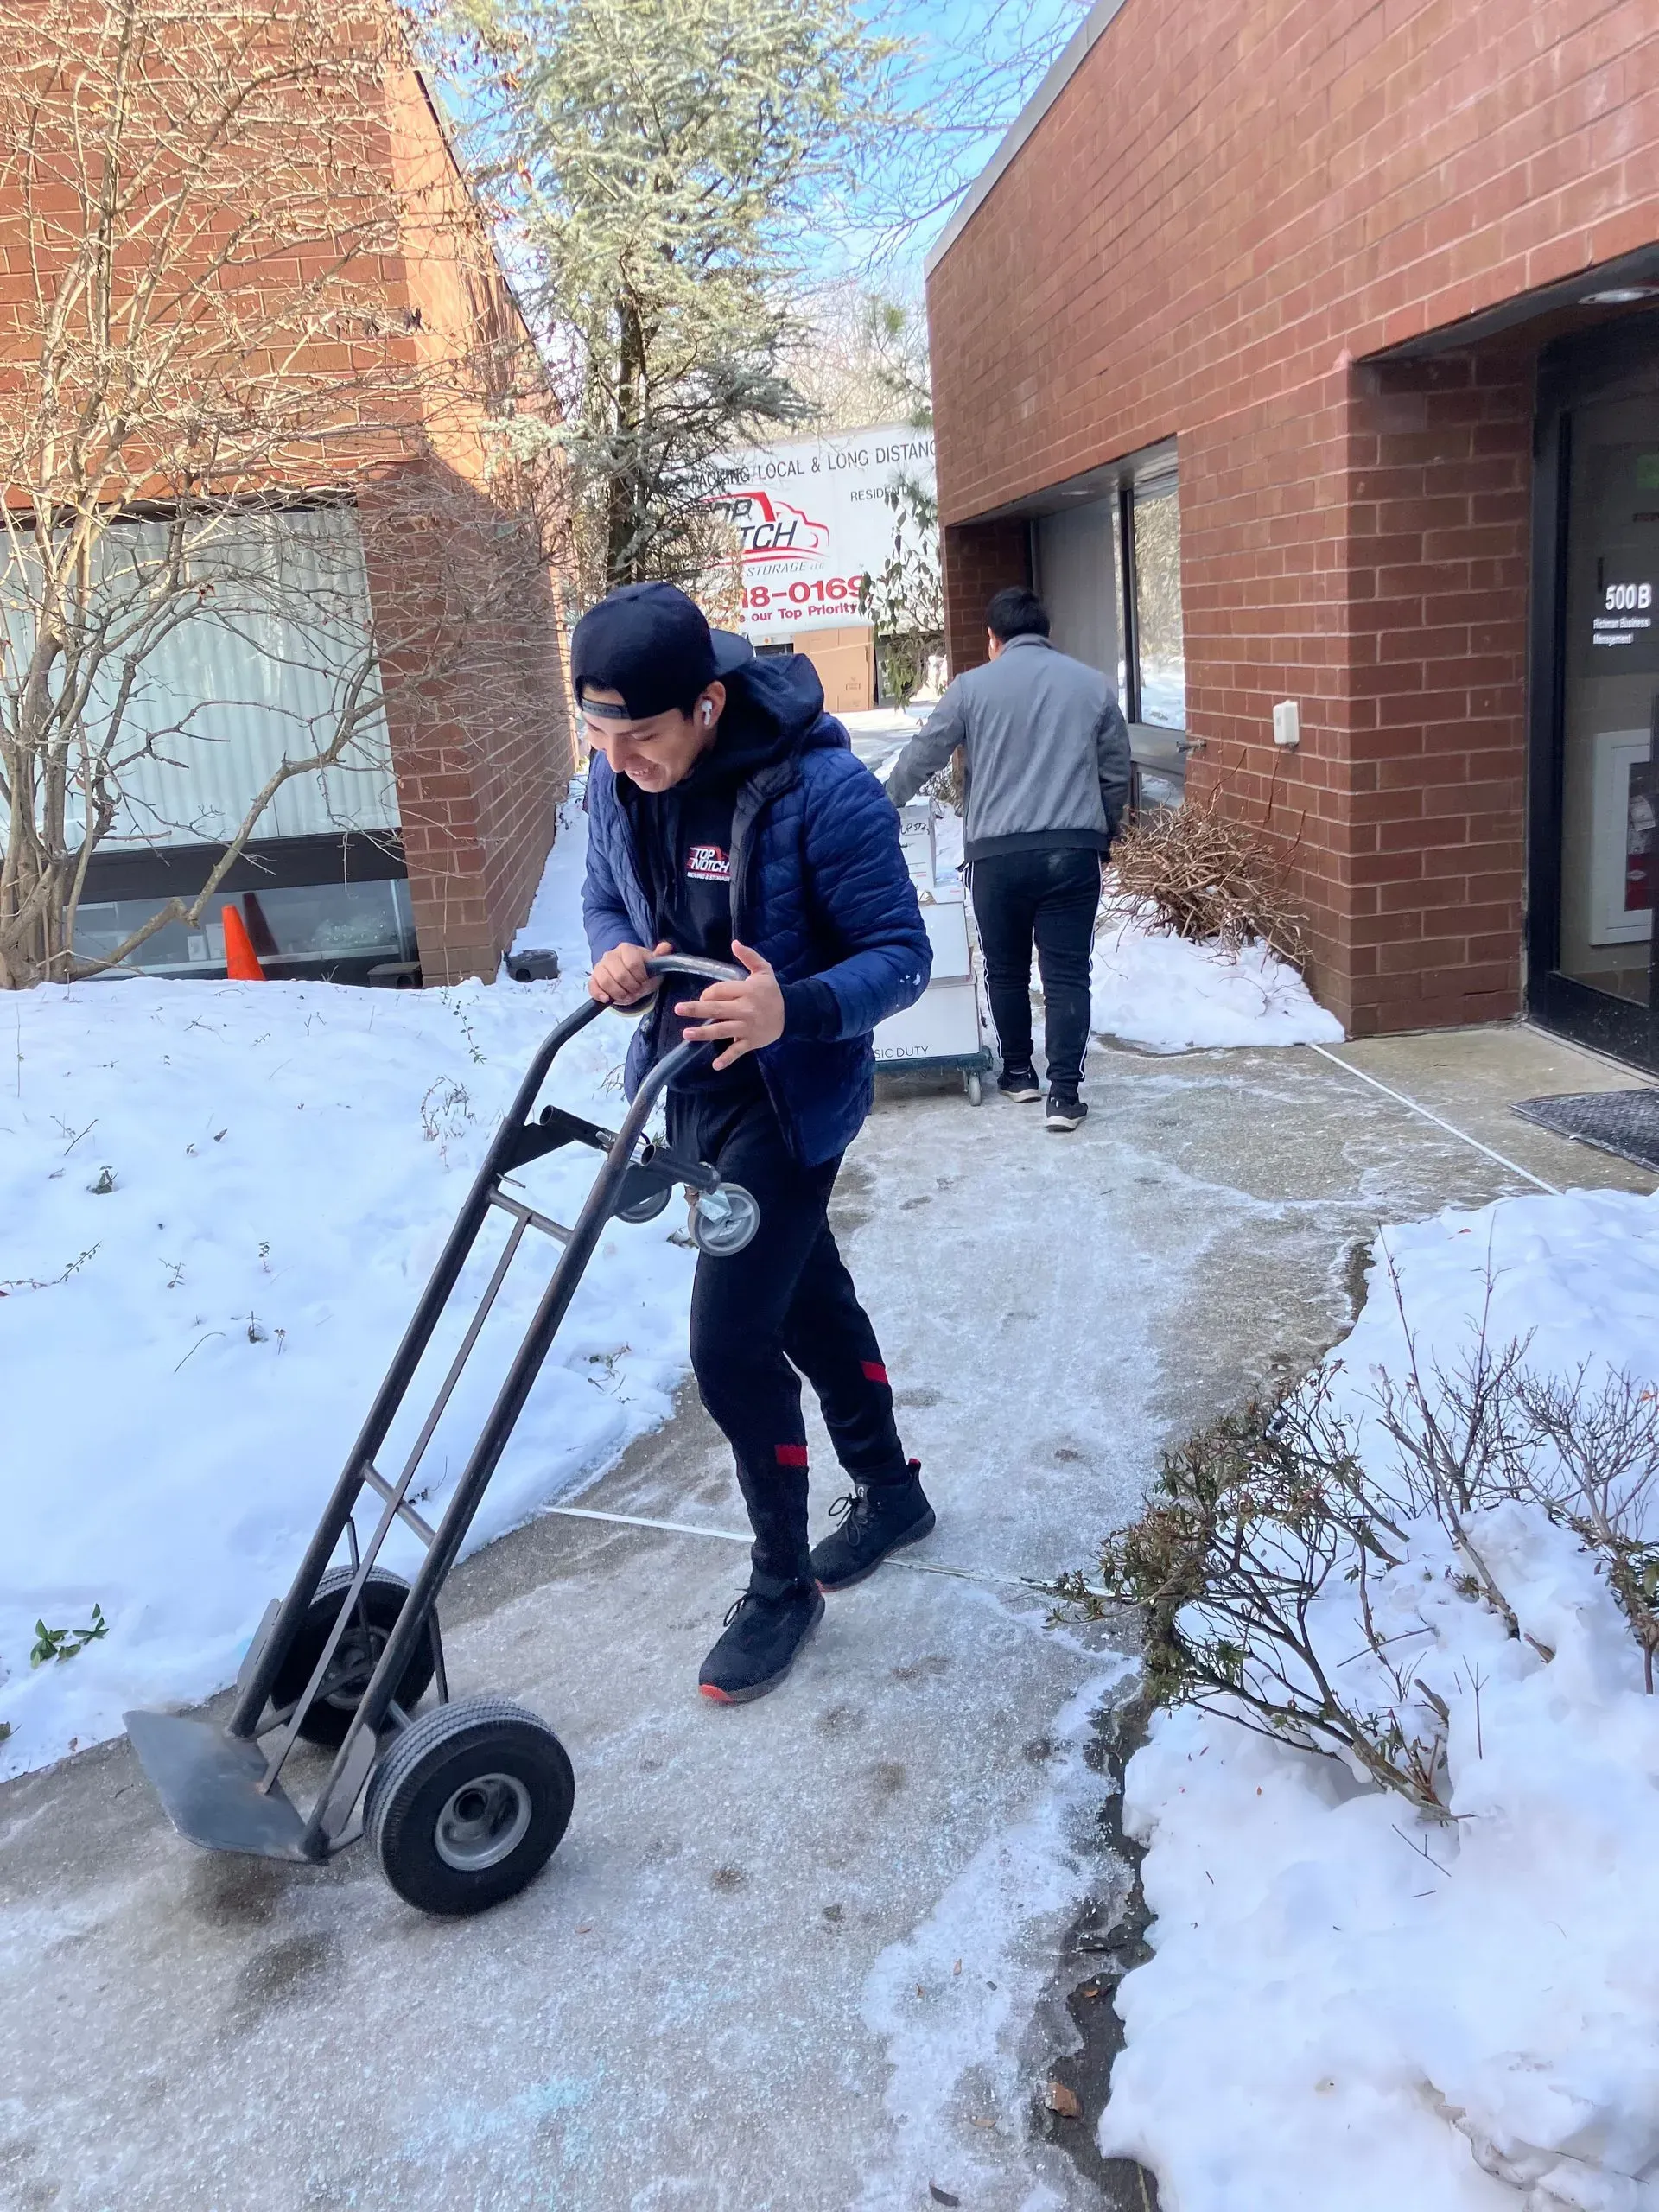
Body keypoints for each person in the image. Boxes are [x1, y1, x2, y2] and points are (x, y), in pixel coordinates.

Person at [576, 582, 936, 1705]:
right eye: (599, 733)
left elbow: (902, 956)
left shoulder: (825, 793)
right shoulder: (616, 778)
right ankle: (892, 1491)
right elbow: (604, 901)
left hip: (791, 1098)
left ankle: (783, 1584)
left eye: (641, 735)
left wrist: (797, 1010)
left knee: (731, 1345)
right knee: (801, 1296)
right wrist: (620, 956)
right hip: (686, 1087)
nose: (618, 757)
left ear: (710, 704)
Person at [886, 587, 1130, 1131]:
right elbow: (1116, 773)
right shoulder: (1092, 687)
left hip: (997, 858)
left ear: (992, 639)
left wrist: (876, 810)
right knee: (1067, 973)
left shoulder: (970, 689)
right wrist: (1103, 832)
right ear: (1046, 634)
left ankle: (1019, 1074)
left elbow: (921, 757)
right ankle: (1065, 1096)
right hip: (1072, 852)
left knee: (1006, 969)